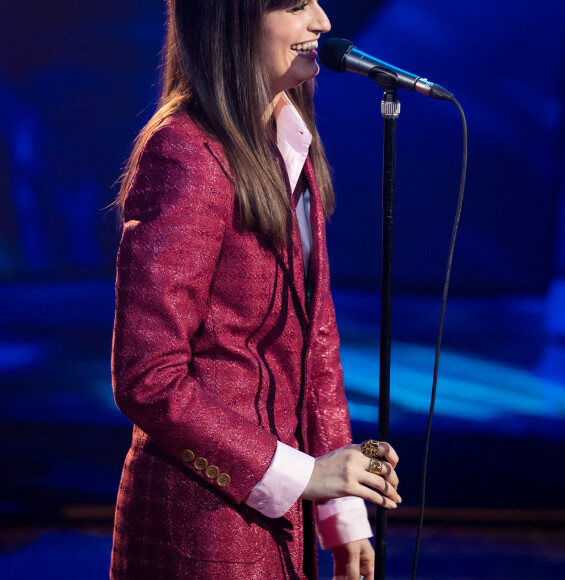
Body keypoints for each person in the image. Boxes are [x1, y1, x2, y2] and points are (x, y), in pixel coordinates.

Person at [110, 1, 401, 578]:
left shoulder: (292, 142)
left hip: (280, 526)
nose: (321, 22)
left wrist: (342, 510)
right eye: (295, 6)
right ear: (231, 21)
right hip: (202, 529)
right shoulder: (186, 151)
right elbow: (148, 376)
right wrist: (306, 475)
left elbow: (315, 344)